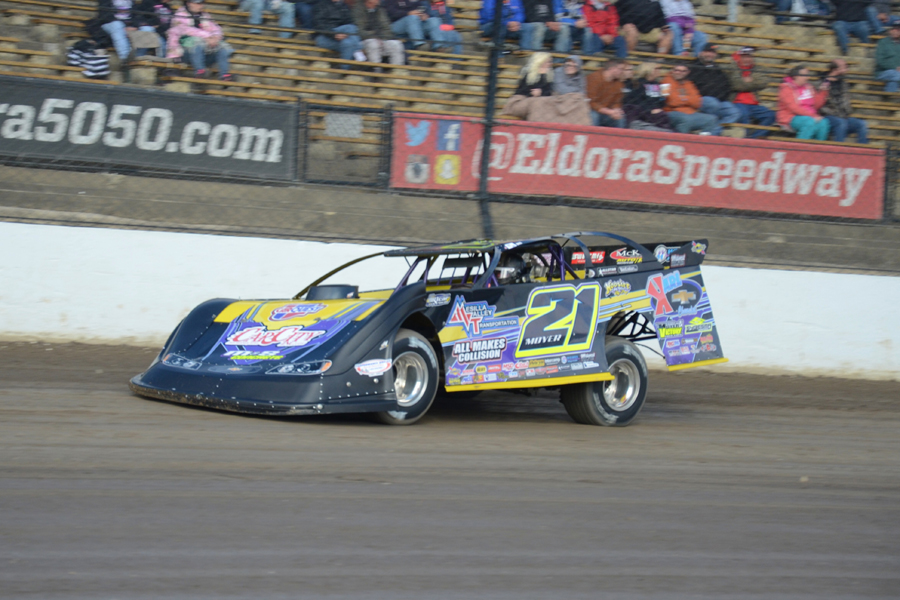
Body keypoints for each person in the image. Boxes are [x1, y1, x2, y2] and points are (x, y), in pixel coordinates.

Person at [167, 0, 233, 79]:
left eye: (202, 3)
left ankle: (224, 74)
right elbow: (186, 30)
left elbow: (216, 29)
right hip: (184, 52)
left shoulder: (205, 16)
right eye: (198, 3)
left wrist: (215, 37)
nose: (201, 6)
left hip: (206, 50)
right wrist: (208, 37)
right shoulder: (180, 15)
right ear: (189, 3)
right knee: (197, 43)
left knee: (222, 47)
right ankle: (200, 70)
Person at [688, 43, 740, 135]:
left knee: (734, 112)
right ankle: (709, 131)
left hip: (719, 100)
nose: (710, 54)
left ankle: (712, 133)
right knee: (713, 103)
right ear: (701, 53)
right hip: (700, 99)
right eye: (707, 52)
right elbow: (692, 86)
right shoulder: (693, 67)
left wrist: (721, 96)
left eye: (712, 52)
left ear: (715, 55)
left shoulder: (718, 70)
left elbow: (726, 86)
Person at [725, 46, 775, 138]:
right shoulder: (732, 68)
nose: (747, 59)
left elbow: (763, 83)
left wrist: (743, 81)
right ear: (739, 57)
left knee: (771, 115)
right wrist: (751, 82)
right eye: (744, 57)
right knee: (744, 114)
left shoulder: (757, 68)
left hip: (754, 104)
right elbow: (736, 85)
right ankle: (745, 138)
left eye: (749, 57)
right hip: (737, 102)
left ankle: (754, 138)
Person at [820, 59, 869, 143]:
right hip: (827, 116)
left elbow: (846, 102)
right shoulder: (823, 82)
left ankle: (863, 149)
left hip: (843, 116)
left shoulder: (843, 84)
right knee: (841, 123)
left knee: (861, 124)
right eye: (844, 67)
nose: (847, 70)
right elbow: (821, 104)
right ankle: (838, 149)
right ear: (835, 70)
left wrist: (847, 112)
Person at [661, 62, 717, 134]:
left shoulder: (689, 84)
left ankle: (703, 139)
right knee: (686, 120)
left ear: (687, 72)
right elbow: (672, 101)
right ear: (672, 71)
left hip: (690, 112)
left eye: (683, 71)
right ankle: (680, 139)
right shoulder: (665, 82)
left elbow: (697, 102)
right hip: (671, 112)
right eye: (677, 70)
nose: (679, 73)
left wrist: (681, 98)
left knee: (711, 119)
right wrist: (689, 99)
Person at [777, 65, 830, 140]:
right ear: (795, 76)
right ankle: (800, 146)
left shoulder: (809, 87)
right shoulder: (786, 88)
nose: (807, 77)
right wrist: (813, 116)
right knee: (809, 122)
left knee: (824, 123)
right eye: (804, 75)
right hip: (791, 117)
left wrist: (823, 92)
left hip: (809, 116)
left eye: (807, 75)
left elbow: (816, 105)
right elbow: (794, 108)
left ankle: (818, 147)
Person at [623, 61, 672, 130]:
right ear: (649, 70)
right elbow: (637, 101)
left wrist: (663, 97)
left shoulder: (658, 84)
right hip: (645, 112)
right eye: (657, 68)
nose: (659, 70)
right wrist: (651, 110)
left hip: (658, 111)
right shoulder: (638, 84)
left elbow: (661, 102)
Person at [353, 0, 404, 65]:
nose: (376, 4)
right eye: (374, 3)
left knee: (396, 44)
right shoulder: (358, 10)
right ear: (367, 2)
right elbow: (360, 31)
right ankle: (376, 68)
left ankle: (397, 68)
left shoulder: (380, 10)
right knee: (373, 44)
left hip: (382, 38)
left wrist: (381, 38)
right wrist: (375, 36)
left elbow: (387, 28)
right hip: (365, 40)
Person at [586, 58, 626, 127]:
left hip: (607, 112)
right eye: (620, 69)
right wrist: (609, 111)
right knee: (594, 116)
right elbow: (590, 102)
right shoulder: (594, 78)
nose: (622, 72)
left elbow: (617, 102)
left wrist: (616, 110)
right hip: (592, 110)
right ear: (612, 68)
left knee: (620, 118)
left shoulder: (618, 83)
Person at [875, 22, 900, 92]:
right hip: (883, 72)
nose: (896, 31)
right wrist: (895, 68)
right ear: (890, 31)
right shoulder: (882, 42)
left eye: (898, 30)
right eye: (894, 29)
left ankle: (889, 93)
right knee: (896, 74)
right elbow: (880, 61)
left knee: (894, 79)